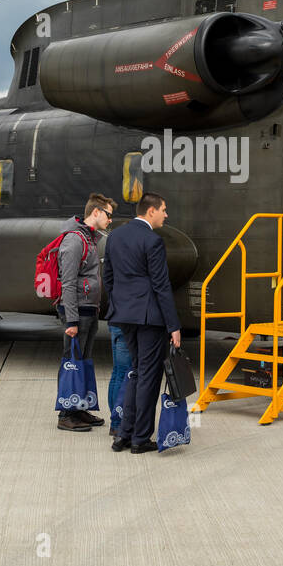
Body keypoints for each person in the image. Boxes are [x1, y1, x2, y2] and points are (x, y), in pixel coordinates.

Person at [104, 192, 182, 454]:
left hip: (124, 315)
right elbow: (161, 286)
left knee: (136, 372)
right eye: (163, 209)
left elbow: (109, 278)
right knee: (148, 376)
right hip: (149, 318)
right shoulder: (153, 241)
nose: (166, 214)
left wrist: (121, 306)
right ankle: (139, 439)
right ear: (151, 211)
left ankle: (124, 435)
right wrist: (174, 326)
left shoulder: (115, 236)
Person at [55, 193, 116, 432]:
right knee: (72, 360)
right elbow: (67, 282)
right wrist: (71, 319)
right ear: (96, 212)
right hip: (76, 311)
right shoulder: (74, 240)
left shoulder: (89, 239)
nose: (110, 220)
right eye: (108, 215)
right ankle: (66, 414)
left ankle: (79, 408)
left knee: (83, 360)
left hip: (88, 310)